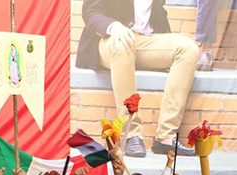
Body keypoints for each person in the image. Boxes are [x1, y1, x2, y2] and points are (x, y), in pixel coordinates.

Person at [77, 0, 199, 157]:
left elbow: (158, 10)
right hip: (109, 40)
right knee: (121, 45)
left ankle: (165, 137)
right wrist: (114, 27)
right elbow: (90, 12)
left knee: (188, 49)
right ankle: (132, 134)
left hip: (143, 41)